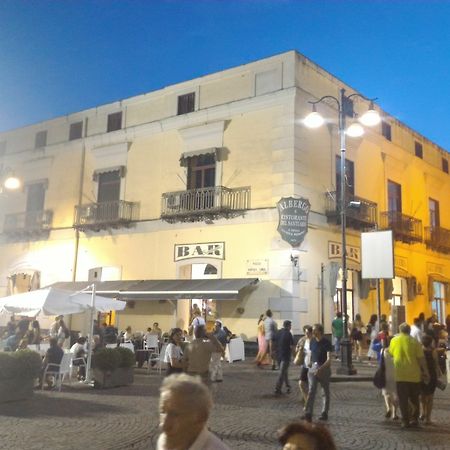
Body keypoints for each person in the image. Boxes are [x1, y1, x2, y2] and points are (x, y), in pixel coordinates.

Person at [157, 373, 230, 450]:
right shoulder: (164, 441)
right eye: (162, 411)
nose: (164, 425)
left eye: (175, 414)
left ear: (201, 417)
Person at [388, 322, 430, 429]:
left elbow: (391, 353)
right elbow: (421, 359)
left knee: (403, 399)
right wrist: (425, 371)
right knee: (414, 398)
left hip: (400, 374)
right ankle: (414, 419)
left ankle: (405, 421)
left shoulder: (394, 340)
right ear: (409, 331)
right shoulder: (415, 342)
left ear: (400, 330)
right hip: (414, 375)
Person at [302, 323, 332, 422]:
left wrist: (321, 369)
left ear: (320, 331)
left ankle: (324, 412)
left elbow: (329, 360)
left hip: (324, 368)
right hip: (313, 368)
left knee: (325, 391)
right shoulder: (312, 341)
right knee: (311, 390)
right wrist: (310, 364)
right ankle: (309, 412)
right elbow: (311, 355)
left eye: (315, 330)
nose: (313, 332)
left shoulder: (326, 342)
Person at [420, 334, 440, 425]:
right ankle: (428, 418)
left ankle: (422, 413)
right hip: (431, 375)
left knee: (422, 396)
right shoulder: (433, 351)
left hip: (421, 375)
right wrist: (439, 374)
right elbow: (436, 364)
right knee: (430, 397)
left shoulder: (420, 350)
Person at [275, 320, 294, 395]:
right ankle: (278, 388)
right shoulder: (289, 334)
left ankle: (288, 386)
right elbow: (292, 346)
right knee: (282, 373)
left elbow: (273, 341)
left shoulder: (278, 332)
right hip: (285, 356)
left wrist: (272, 351)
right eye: (290, 326)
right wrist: (295, 355)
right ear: (289, 326)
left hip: (278, 355)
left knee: (284, 371)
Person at [296, 325, 313, 405]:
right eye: (306, 333)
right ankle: (306, 399)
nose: (307, 335)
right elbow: (297, 349)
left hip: (312, 365)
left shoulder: (314, 341)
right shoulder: (302, 340)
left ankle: (308, 401)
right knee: (301, 383)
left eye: (309, 333)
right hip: (304, 364)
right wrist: (299, 350)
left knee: (310, 384)